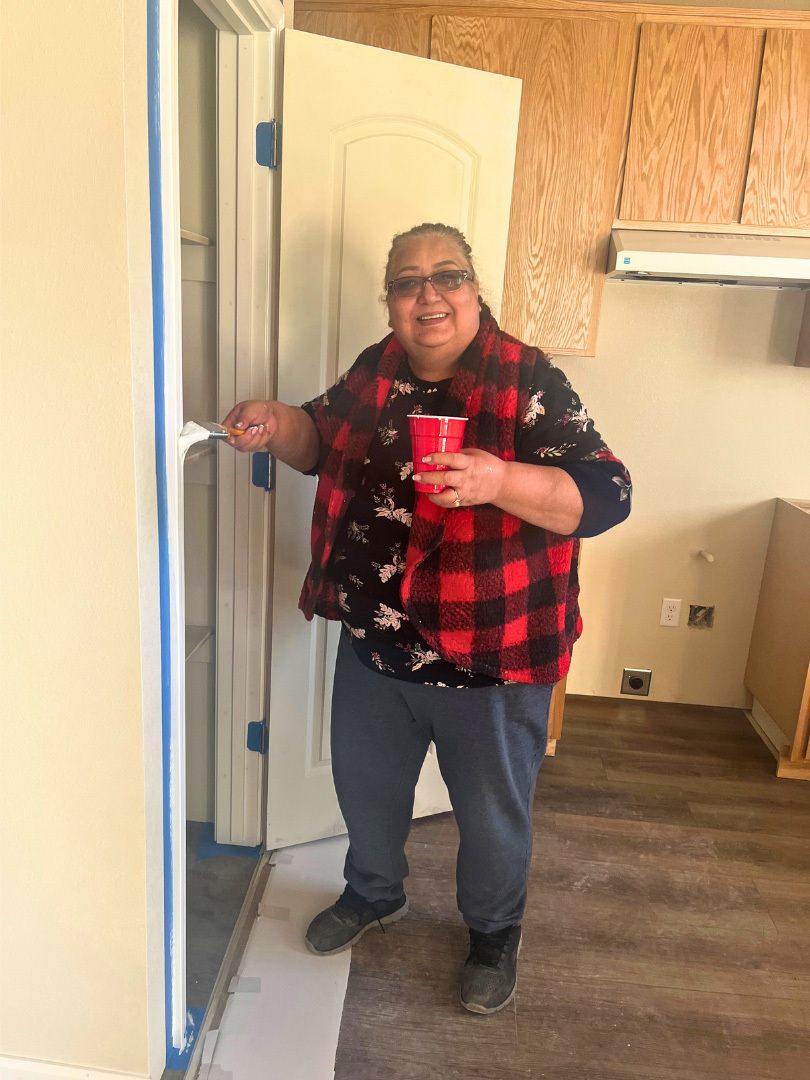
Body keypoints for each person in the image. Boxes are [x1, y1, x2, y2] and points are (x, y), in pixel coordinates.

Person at [224, 223, 631, 1015]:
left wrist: (500, 479)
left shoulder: (527, 379)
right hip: (378, 642)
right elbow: (317, 440)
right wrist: (276, 422)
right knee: (368, 787)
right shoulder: (376, 369)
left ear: (476, 290)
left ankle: (492, 933)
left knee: (489, 816)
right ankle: (375, 893)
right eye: (407, 281)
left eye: (446, 275)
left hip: (493, 653)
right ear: (391, 302)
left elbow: (607, 496)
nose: (427, 294)